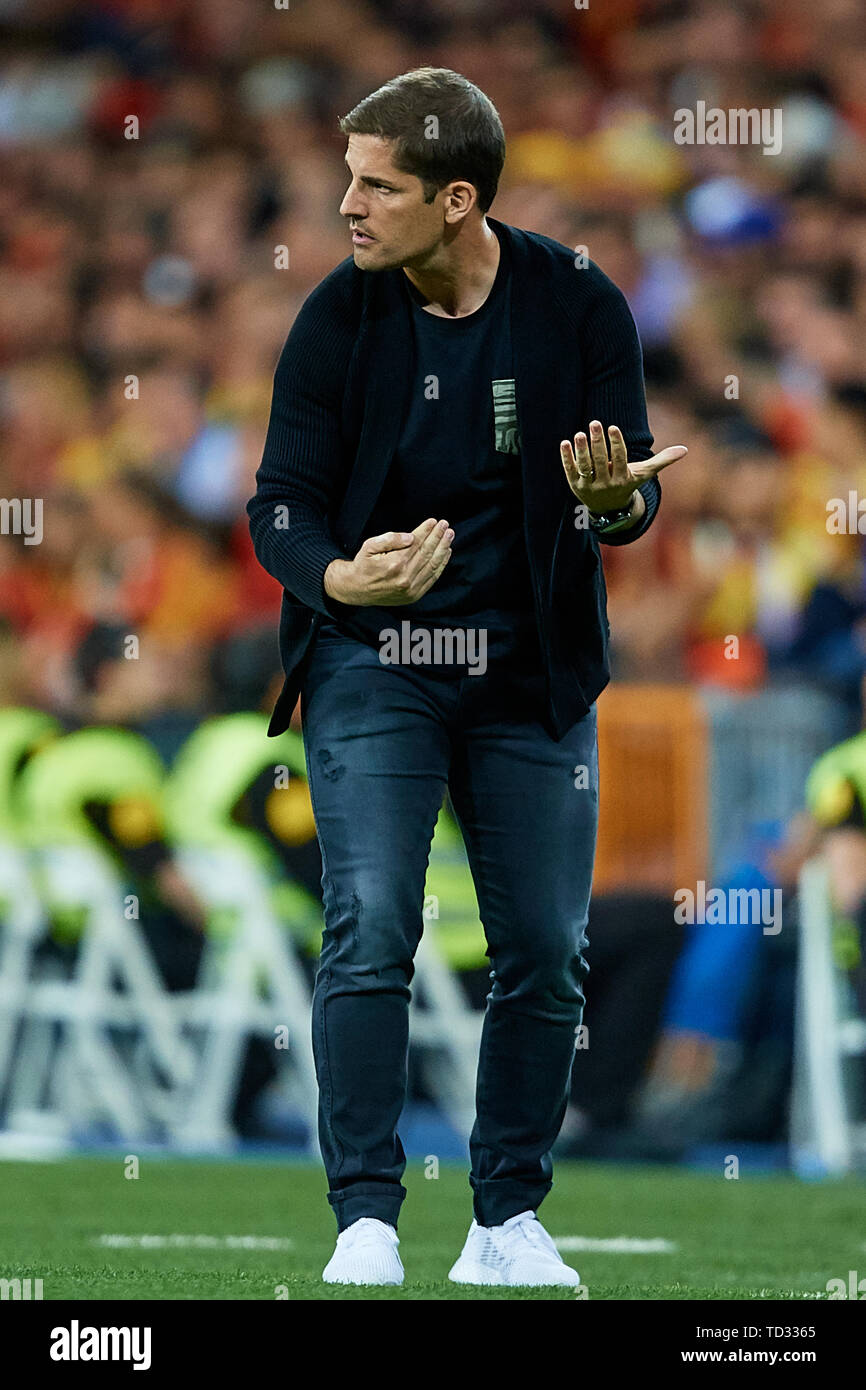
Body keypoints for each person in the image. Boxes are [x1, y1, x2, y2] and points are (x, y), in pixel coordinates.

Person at [247, 67, 687, 1288]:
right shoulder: (336, 317)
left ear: (452, 199)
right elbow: (275, 505)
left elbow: (631, 489)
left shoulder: (579, 303)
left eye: (373, 185)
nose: (345, 205)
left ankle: (504, 1220)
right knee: (374, 919)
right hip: (374, 661)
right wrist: (340, 578)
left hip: (525, 671)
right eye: (346, 178)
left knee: (545, 943)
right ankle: (367, 1219)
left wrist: (619, 506)